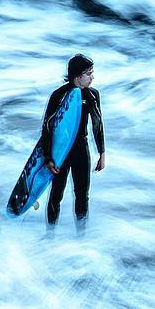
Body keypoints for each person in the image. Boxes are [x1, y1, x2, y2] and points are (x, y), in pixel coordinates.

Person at [43, 54, 106, 229]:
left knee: (82, 195)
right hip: (61, 152)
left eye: (92, 72)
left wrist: (102, 153)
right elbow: (46, 129)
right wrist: (48, 158)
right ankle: (49, 234)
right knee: (56, 195)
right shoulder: (59, 96)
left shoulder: (92, 95)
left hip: (81, 149)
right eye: (88, 73)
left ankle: (81, 236)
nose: (92, 77)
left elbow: (97, 124)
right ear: (77, 76)